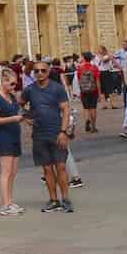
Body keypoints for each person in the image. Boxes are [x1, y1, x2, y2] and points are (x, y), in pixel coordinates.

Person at [20, 60, 75, 214]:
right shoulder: (30, 90)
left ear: (48, 71)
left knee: (61, 167)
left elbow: (65, 110)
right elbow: (19, 103)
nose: (39, 74)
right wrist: (26, 116)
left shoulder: (57, 89)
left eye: (43, 70)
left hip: (56, 132)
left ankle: (66, 199)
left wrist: (63, 132)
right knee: (47, 169)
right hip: (39, 134)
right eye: (36, 71)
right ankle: (53, 200)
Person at [0, 67, 26, 216]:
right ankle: (5, 204)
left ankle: (10, 201)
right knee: (6, 172)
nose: (13, 86)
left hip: (15, 135)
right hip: (4, 138)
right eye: (11, 83)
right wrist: (13, 119)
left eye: (15, 84)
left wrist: (25, 118)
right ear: (3, 82)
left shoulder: (12, 97)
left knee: (13, 172)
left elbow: (17, 113)